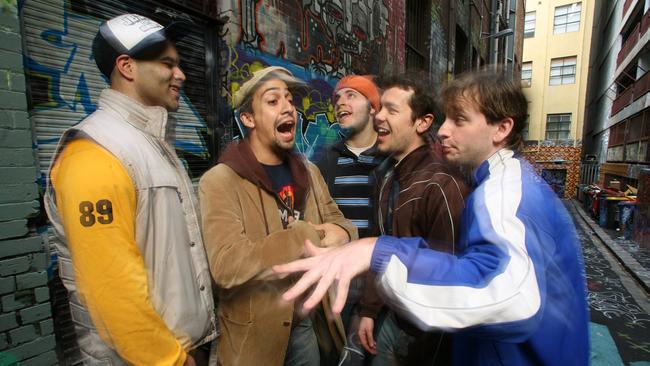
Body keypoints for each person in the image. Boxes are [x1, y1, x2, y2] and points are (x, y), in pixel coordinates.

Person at [274, 70, 589, 366]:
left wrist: (379, 251)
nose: (445, 130)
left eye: (460, 120)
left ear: (502, 128)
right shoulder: (490, 182)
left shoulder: (503, 191)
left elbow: (514, 297)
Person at [44, 14, 216, 365]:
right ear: (126, 66)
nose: (180, 74)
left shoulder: (151, 144)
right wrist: (171, 360)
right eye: (167, 64)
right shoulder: (94, 154)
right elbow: (113, 292)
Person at [198, 66, 358, 366]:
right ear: (248, 118)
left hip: (307, 325)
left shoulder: (308, 172)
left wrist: (345, 235)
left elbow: (342, 224)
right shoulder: (220, 181)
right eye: (273, 101)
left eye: (289, 100)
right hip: (255, 337)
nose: (288, 108)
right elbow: (227, 265)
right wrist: (304, 236)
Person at [357, 74, 469, 365]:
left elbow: (453, 283)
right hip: (392, 320)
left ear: (422, 122)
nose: (378, 116)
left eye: (391, 110)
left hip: (421, 338)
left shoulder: (442, 184)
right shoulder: (387, 176)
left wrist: (425, 355)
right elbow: (380, 245)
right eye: (379, 108)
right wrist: (368, 310)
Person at [315, 75, 384, 364]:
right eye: (337, 98)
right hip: (337, 278)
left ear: (372, 107)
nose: (341, 102)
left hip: (379, 279)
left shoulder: (389, 158)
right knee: (336, 355)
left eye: (351, 95)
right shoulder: (325, 160)